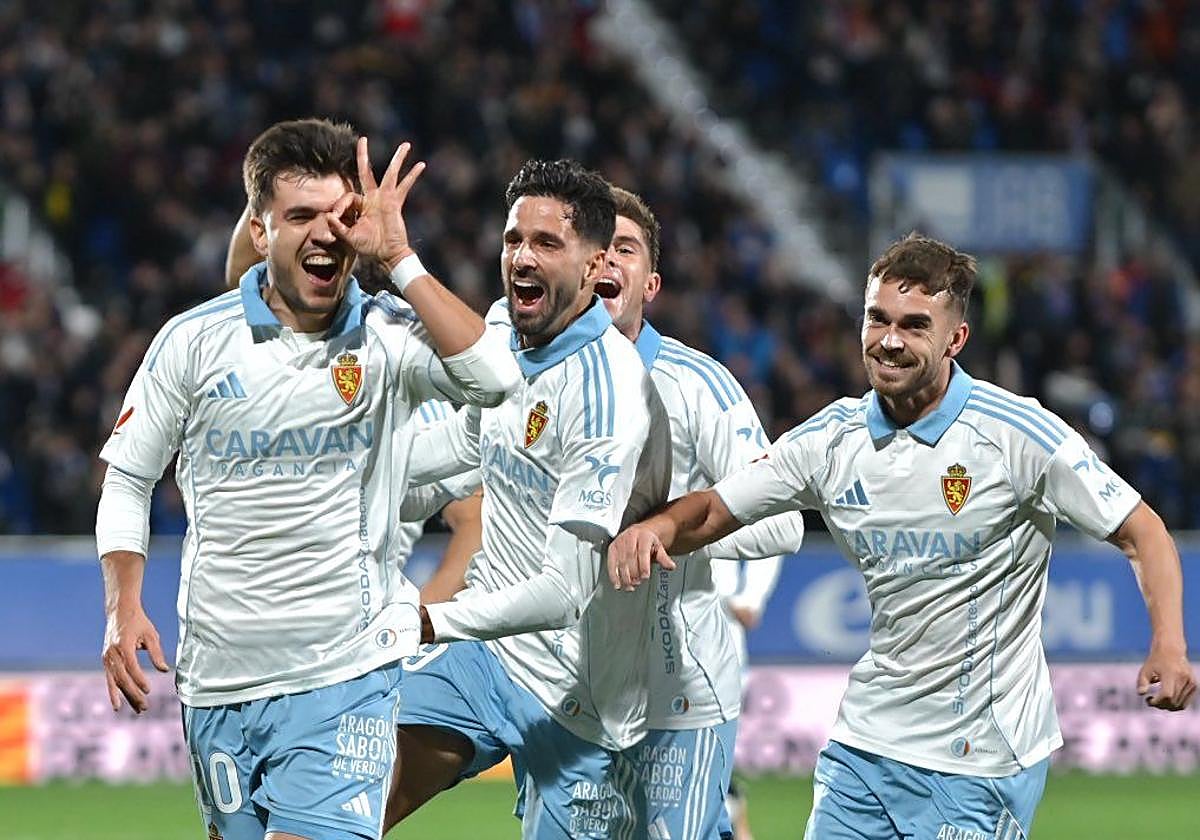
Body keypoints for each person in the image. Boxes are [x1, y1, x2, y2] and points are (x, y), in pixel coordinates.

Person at [609, 233, 1197, 840]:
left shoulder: (1015, 434)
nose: (889, 340)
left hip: (981, 759)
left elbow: (1141, 529)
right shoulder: (831, 439)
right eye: (877, 319)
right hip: (865, 746)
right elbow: (715, 509)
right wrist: (654, 528)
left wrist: (1170, 645)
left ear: (955, 339)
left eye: (915, 326)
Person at [95, 118, 519, 840]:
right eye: (300, 216)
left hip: (345, 673)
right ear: (259, 232)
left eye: (342, 215)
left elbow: (497, 380)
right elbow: (129, 479)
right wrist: (122, 604)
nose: (327, 233)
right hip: (217, 681)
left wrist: (404, 262)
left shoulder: (388, 335)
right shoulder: (193, 342)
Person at [383, 159, 673, 838]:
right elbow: (464, 446)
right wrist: (350, 473)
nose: (522, 257)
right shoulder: (503, 331)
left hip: (578, 698)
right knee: (350, 802)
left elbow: (561, 592)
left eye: (547, 244)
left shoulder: (607, 390)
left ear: (597, 264)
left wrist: (431, 622)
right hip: (484, 661)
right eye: (515, 239)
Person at [598, 187, 802, 840]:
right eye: (595, 246)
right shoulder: (526, 383)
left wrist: (678, 531)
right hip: (575, 687)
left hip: (679, 685)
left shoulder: (699, 387)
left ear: (650, 282)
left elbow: (783, 520)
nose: (607, 260)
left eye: (624, 248)